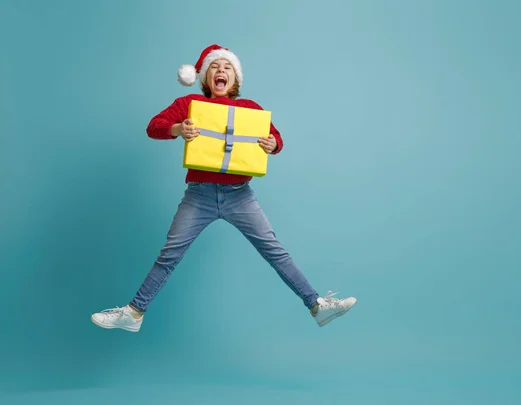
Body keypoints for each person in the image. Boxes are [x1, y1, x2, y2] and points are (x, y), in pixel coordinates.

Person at [90, 44, 356, 333]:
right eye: (214, 67)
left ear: (235, 79)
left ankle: (317, 306)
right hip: (199, 195)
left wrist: (273, 144)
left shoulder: (250, 108)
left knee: (275, 251)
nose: (221, 71)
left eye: (227, 67)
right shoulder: (189, 104)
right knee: (170, 254)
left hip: (240, 195)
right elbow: (154, 126)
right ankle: (133, 313)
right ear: (205, 78)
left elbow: (275, 137)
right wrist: (178, 129)